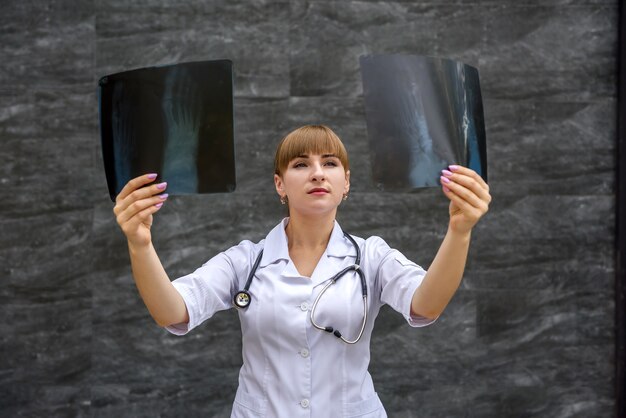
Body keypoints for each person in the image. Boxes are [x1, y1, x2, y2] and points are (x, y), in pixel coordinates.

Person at [113, 125, 491, 417]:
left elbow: (427, 305)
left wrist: (459, 231)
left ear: (346, 183)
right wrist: (139, 243)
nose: (317, 173)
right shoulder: (245, 262)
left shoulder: (372, 257)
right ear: (280, 184)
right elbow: (172, 311)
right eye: (300, 164)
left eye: (329, 163)